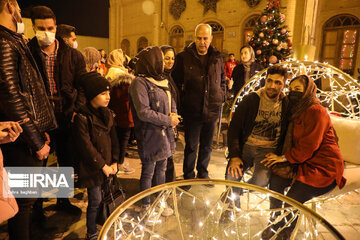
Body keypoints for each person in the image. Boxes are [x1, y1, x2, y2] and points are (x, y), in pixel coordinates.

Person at [261, 75, 346, 239]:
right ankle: (274, 221)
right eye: (291, 89)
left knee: (293, 199)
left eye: (298, 90)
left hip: (323, 166)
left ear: (307, 91)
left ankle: (282, 231)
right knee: (276, 181)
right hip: (302, 162)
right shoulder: (297, 110)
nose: (293, 93)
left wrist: (283, 158)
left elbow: (309, 147)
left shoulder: (316, 111)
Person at [0, 1, 57, 239]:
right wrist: (37, 142)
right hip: (22, 140)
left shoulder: (12, 40)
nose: (20, 13)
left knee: (27, 200)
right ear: (10, 6)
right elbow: (12, 97)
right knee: (23, 203)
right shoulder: (4, 42)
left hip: (27, 133)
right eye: (20, 9)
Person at [28, 5, 86, 216]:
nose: (46, 32)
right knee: (37, 164)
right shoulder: (27, 53)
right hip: (39, 118)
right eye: (40, 28)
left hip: (66, 115)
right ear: (33, 27)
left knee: (66, 160)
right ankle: (35, 208)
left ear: (55, 27)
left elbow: (82, 86)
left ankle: (62, 201)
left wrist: (76, 111)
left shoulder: (73, 55)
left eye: (50, 27)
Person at [225, 66, 289, 210]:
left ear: (284, 84)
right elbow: (234, 129)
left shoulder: (286, 104)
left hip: (267, 152)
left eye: (278, 83)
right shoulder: (251, 100)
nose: (272, 86)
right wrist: (235, 156)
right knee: (231, 176)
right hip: (246, 147)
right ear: (265, 81)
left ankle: (236, 192)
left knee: (260, 182)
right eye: (269, 81)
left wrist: (283, 156)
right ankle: (232, 208)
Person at [172, 23, 226, 185]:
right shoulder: (183, 57)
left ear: (211, 39)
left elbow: (222, 80)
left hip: (212, 109)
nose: (202, 42)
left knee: (207, 146)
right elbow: (175, 83)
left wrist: (222, 96)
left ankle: (203, 173)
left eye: (205, 38)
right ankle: (188, 176)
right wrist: (183, 103)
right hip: (192, 111)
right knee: (191, 146)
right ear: (194, 38)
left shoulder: (217, 57)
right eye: (199, 38)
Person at [129, 46, 180, 213]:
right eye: (159, 60)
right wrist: (168, 119)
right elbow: (143, 112)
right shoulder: (139, 82)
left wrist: (173, 113)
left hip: (165, 133)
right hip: (150, 134)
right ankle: (146, 206)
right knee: (148, 171)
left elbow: (170, 98)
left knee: (162, 170)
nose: (162, 63)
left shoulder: (162, 79)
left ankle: (160, 202)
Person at [72, 72, 119, 240]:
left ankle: (105, 224)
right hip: (93, 168)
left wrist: (115, 161)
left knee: (107, 197)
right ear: (92, 95)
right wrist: (102, 165)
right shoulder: (82, 117)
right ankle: (91, 231)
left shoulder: (108, 114)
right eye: (103, 93)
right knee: (95, 200)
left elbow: (114, 139)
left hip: (107, 165)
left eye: (108, 93)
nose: (108, 97)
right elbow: (86, 147)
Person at [106, 49, 135, 175]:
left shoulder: (109, 74)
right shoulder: (124, 77)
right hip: (125, 115)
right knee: (122, 141)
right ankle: (120, 164)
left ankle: (114, 163)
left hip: (113, 116)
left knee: (114, 140)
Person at [161, 45, 180, 183]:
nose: (170, 61)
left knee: (169, 157)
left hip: (171, 122)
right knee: (166, 158)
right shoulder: (160, 78)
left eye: (172, 58)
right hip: (164, 123)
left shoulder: (170, 76)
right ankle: (166, 186)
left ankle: (168, 185)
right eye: (166, 58)